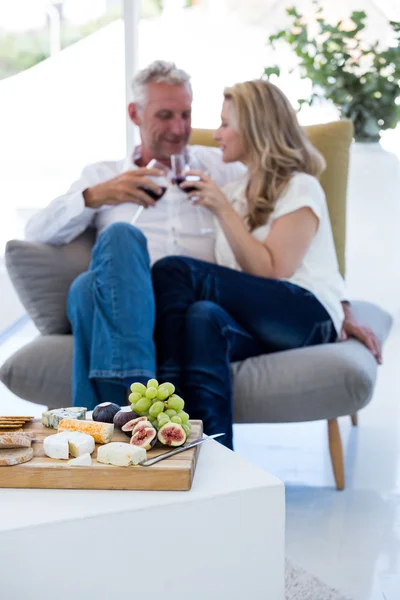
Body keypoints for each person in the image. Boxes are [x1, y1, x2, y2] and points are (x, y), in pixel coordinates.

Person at [24, 61, 381, 411]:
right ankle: (138, 404)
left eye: (187, 115)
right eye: (166, 116)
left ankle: (112, 425)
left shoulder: (225, 170)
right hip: (123, 303)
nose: (180, 129)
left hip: (191, 308)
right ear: (135, 114)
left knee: (109, 290)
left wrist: (341, 306)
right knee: (116, 242)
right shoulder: (104, 175)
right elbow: (37, 232)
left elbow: (299, 234)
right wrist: (97, 195)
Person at [150, 79, 380, 450]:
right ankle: (209, 459)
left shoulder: (299, 186)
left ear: (255, 128)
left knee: (174, 270)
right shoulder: (235, 193)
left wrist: (221, 210)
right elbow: (234, 286)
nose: (217, 134)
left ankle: (162, 404)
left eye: (226, 123)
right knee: (203, 316)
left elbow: (272, 272)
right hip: (262, 322)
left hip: (307, 316)